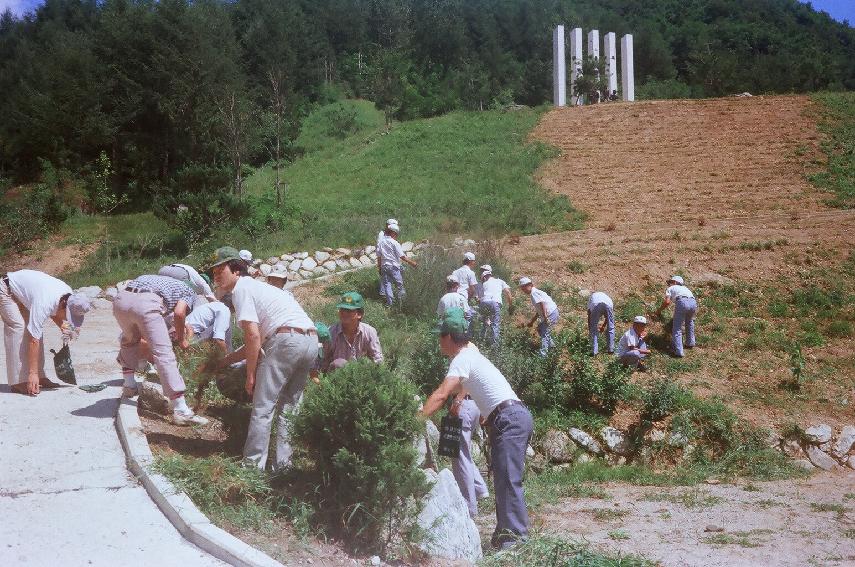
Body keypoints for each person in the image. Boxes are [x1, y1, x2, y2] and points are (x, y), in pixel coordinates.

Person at [422, 309, 533, 549]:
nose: (438, 341)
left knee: (508, 479)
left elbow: (442, 393)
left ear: (449, 337)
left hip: (509, 418)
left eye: (440, 336)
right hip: (511, 416)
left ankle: (516, 541)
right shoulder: (471, 355)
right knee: (504, 478)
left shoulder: (462, 357)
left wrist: (416, 419)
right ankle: (505, 534)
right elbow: (467, 389)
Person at [212, 247, 317, 470]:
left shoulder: (241, 289)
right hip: (310, 340)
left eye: (222, 269)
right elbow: (255, 342)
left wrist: (250, 375)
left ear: (237, 270)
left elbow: (252, 335)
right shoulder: (261, 288)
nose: (216, 275)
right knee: (290, 407)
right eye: (214, 272)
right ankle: (283, 467)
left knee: (263, 407)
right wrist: (224, 361)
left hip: (286, 340)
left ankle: (252, 467)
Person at [112, 274, 208, 425]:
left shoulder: (163, 282)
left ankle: (129, 386)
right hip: (146, 304)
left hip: (121, 301)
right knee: (164, 353)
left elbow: (170, 315)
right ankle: (181, 410)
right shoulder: (189, 291)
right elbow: (179, 313)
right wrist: (182, 340)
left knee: (129, 341)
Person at [0, 270, 91, 395]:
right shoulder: (44, 302)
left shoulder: (67, 294)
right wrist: (32, 374)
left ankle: (41, 376)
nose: (67, 319)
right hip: (7, 289)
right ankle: (18, 382)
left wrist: (64, 327)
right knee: (19, 327)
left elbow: (54, 311)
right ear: (65, 304)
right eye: (68, 316)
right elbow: (34, 340)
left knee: (36, 330)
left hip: (26, 294)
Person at [322, 292, 383, 372]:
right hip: (336, 377)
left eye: (349, 310)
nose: (344, 313)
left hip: (361, 375)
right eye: (342, 309)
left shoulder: (369, 331)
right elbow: (322, 359)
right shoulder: (331, 332)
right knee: (340, 363)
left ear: (359, 314)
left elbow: (377, 358)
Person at [653, 275, 698, 357]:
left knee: (677, 327)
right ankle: (690, 343)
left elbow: (667, 302)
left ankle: (678, 351)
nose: (669, 284)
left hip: (682, 302)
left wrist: (658, 311)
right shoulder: (686, 288)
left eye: (670, 282)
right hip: (693, 302)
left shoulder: (671, 288)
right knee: (689, 322)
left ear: (674, 282)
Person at [376, 220, 418, 306]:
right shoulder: (395, 243)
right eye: (396, 234)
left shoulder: (381, 243)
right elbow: (402, 256)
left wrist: (379, 268)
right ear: (393, 233)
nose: (396, 236)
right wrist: (412, 263)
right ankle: (402, 303)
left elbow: (379, 257)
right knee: (399, 285)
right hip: (394, 267)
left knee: (387, 285)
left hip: (384, 266)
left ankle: (390, 303)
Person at [518, 277, 559, 356]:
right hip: (551, 312)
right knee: (540, 329)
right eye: (522, 289)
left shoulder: (534, 293)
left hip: (551, 313)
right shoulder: (535, 292)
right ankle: (552, 347)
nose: (523, 290)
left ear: (530, 285)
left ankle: (543, 356)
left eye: (524, 288)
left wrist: (546, 317)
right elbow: (539, 310)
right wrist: (532, 322)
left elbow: (542, 304)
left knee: (545, 332)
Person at [476, 265, 513, 346]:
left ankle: (481, 344)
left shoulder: (481, 284)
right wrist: (510, 306)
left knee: (484, 324)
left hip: (483, 302)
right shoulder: (499, 281)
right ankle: (494, 348)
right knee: (495, 325)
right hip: (495, 303)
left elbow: (478, 299)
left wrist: (482, 305)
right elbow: (508, 293)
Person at [451, 252, 478, 324]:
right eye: (474, 261)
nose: (474, 263)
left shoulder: (455, 272)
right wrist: (469, 299)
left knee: (455, 318)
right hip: (463, 298)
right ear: (470, 261)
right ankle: (465, 334)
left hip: (453, 297)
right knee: (467, 318)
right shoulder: (471, 273)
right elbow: (472, 289)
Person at [587, 291, 615, 355]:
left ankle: (594, 351)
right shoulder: (606, 297)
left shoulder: (592, 297)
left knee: (593, 329)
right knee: (611, 327)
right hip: (609, 304)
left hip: (596, 304)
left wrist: (590, 329)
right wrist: (603, 326)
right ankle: (611, 350)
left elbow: (589, 315)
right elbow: (609, 320)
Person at [376, 218, 396, 300]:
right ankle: (383, 294)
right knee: (385, 276)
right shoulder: (382, 234)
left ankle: (386, 293)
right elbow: (379, 247)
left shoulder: (391, 233)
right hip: (384, 257)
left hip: (390, 257)